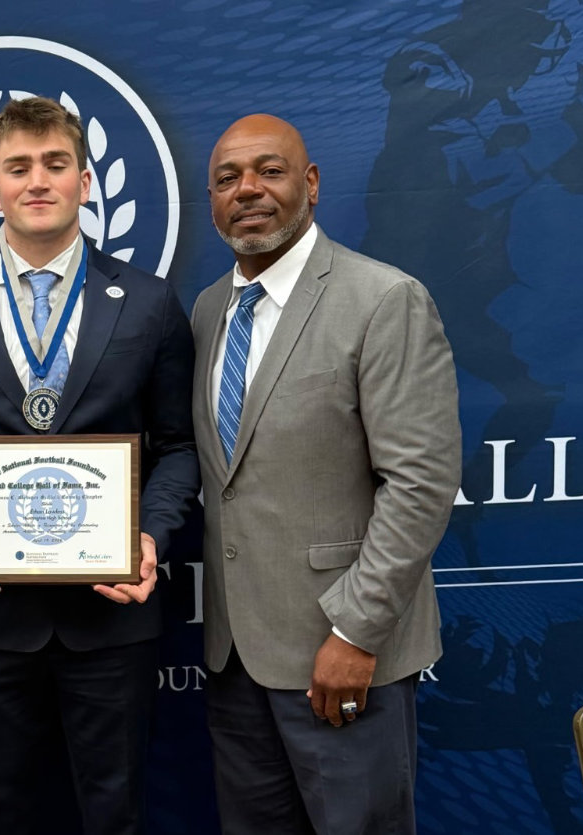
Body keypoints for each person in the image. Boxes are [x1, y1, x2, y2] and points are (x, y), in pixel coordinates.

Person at [0, 96, 199, 835]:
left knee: (115, 814)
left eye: (56, 164)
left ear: (86, 181)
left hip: (110, 613)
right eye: (18, 167)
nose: (39, 181)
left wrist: (151, 535)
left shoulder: (151, 303)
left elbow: (181, 446)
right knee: (0, 816)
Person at [191, 114, 461, 833]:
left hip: (339, 659)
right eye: (227, 178)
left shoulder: (383, 300)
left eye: (270, 171)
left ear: (310, 184)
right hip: (236, 661)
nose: (247, 190)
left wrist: (357, 632)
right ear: (211, 199)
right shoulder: (209, 311)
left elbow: (421, 483)